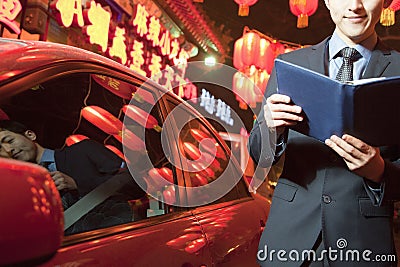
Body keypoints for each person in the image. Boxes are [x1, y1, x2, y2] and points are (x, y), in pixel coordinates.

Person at [248, 0, 400, 266]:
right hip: (289, 240)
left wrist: (379, 170)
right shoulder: (290, 64)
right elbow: (259, 156)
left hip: (363, 245)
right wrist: (271, 128)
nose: (355, 6)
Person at [0, 120, 146, 234]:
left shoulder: (83, 150)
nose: (8, 150)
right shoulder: (23, 188)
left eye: (10, 141)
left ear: (30, 135)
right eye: (0, 149)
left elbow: (136, 186)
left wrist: (78, 184)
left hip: (117, 235)